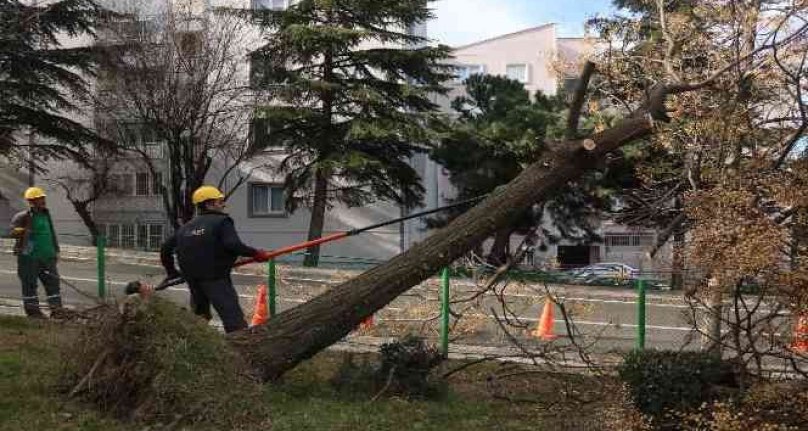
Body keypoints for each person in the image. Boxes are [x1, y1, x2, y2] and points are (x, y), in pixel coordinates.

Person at [160, 186, 271, 333]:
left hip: (192, 279)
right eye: (219, 202)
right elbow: (233, 244)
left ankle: (195, 346)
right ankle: (241, 349)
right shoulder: (222, 221)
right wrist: (256, 253)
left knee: (200, 318)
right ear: (208, 204)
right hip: (215, 278)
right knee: (233, 320)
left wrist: (172, 272)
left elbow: (165, 249)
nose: (223, 204)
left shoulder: (186, 227)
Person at [9, 187, 64, 319]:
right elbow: (12, 233)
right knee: (30, 285)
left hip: (47, 256)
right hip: (29, 257)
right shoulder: (23, 216)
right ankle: (33, 313)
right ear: (31, 201)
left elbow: (51, 233)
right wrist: (20, 231)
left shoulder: (46, 214)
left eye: (43, 198)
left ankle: (57, 311)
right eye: (40, 198)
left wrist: (56, 250)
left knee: (53, 285)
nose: (43, 200)